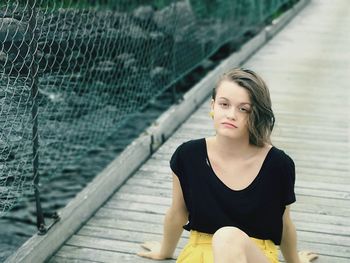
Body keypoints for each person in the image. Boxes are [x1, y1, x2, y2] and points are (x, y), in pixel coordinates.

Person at [137, 68, 318, 263]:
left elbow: (284, 222)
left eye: (243, 109)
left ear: (256, 114)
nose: (231, 114)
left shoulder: (277, 164)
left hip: (256, 256)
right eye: (224, 104)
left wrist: (295, 261)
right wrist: (164, 251)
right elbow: (177, 212)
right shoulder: (188, 155)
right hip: (198, 255)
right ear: (213, 106)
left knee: (227, 237)